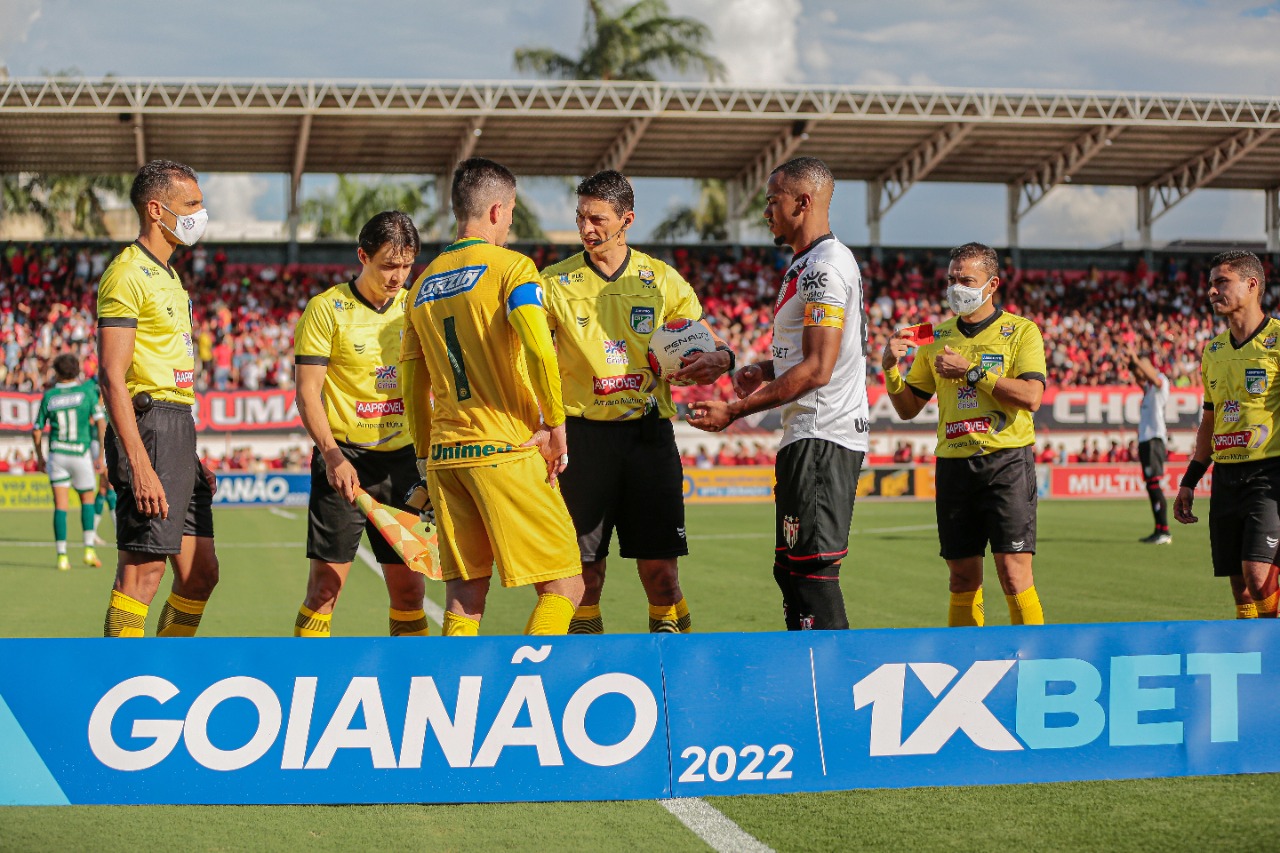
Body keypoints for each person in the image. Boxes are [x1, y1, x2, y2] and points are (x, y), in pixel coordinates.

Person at [540, 169, 733, 634]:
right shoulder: (553, 282)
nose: (587, 229)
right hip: (582, 441)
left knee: (662, 577)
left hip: (648, 437)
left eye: (599, 219)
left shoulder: (662, 280)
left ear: (627, 219)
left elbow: (710, 342)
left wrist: (720, 359)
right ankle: (585, 674)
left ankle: (675, 672)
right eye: (582, 217)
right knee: (584, 576)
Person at [400, 157, 583, 636]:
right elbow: (540, 347)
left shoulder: (419, 286)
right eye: (514, 210)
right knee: (565, 588)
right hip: (505, 448)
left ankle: (458, 699)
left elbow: (411, 385)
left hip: (446, 457)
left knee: (464, 597)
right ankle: (531, 689)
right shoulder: (513, 268)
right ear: (498, 210)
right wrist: (556, 423)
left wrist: (424, 457)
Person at [688, 156, 868, 631]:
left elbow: (816, 369)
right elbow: (812, 355)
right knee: (790, 570)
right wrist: (764, 368)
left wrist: (736, 410)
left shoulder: (824, 267)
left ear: (803, 202)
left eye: (773, 201)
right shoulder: (806, 265)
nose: (766, 212)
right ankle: (805, 678)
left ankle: (833, 687)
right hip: (806, 433)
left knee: (812, 572)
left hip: (822, 433)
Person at [881, 242, 1048, 627]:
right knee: (961, 578)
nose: (957, 287)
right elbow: (907, 408)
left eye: (967, 280)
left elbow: (1032, 397)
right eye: (952, 279)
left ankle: (1033, 660)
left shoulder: (1022, 331)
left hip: (1006, 462)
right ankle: (967, 661)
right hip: (954, 466)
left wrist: (972, 372)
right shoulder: (933, 335)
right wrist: (890, 368)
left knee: (1013, 573)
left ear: (992, 285)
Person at [291, 211, 428, 638]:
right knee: (324, 591)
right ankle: (304, 683)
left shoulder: (417, 307)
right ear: (362, 256)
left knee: (409, 592)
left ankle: (414, 685)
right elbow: (306, 392)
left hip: (403, 466)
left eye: (406, 266)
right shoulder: (326, 309)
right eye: (388, 264)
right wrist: (332, 455)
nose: (398, 276)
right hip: (343, 460)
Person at [97, 159, 220, 637]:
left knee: (200, 573)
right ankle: (120, 681)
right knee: (142, 574)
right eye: (191, 204)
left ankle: (168, 665)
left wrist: (186, 455)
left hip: (176, 427)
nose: (199, 214)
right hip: (148, 427)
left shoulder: (169, 275)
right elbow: (112, 375)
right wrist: (142, 463)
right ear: (156, 209)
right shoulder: (127, 273)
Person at [1175, 250, 1280, 619]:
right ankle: (1254, 661)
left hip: (1270, 475)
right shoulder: (1214, 351)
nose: (1211, 291)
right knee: (1240, 585)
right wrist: (1191, 479)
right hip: (1226, 475)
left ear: (1252, 286)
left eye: (1221, 282)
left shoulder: (1278, 342)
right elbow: (1210, 419)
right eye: (1210, 284)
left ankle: (1273, 658)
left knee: (1258, 574)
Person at [31, 353, 104, 571]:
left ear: (56, 372)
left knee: (60, 506)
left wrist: (40, 457)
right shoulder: (87, 392)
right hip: (80, 452)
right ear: (77, 370)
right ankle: (89, 550)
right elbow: (101, 424)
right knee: (87, 501)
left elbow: (36, 430)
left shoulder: (49, 396)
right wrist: (100, 454)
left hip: (58, 454)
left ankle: (62, 556)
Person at [1125, 342, 1172, 544]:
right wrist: (1131, 363)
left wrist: (1138, 360)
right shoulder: (1148, 389)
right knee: (1150, 486)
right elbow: (1139, 375)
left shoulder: (1161, 381)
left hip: (1154, 439)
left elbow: (1151, 375)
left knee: (1154, 485)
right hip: (1146, 440)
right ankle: (1159, 529)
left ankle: (1164, 531)